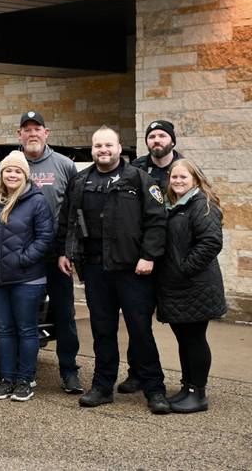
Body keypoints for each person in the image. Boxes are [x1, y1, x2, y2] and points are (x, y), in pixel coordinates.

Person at [57, 126, 171, 414]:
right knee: (102, 331)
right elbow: (68, 220)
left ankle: (154, 389)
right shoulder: (81, 181)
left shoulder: (139, 179)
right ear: (92, 150)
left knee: (140, 331)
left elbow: (157, 221)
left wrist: (148, 256)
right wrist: (65, 252)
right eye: (98, 146)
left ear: (120, 148)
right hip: (96, 270)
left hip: (133, 270)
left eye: (108, 145)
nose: (103, 150)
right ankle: (102, 387)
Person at [0, 151, 54, 402]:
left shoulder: (36, 201)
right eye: (8, 170)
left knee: (26, 329)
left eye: (17, 171)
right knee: (4, 330)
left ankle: (25, 380)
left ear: (25, 175)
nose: (12, 174)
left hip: (27, 278)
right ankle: (7, 378)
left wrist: (22, 259)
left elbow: (45, 238)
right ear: (1, 174)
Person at [16, 111, 83, 394]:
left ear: (47, 133)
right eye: (26, 129)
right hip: (24, 254)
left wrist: (68, 251)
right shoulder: (11, 165)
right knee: (25, 316)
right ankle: (24, 372)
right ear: (19, 134)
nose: (32, 133)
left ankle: (69, 371)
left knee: (64, 314)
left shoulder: (65, 165)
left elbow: (75, 212)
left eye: (37, 128)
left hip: (57, 254)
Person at [157, 159, 226, 413]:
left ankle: (198, 393)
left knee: (194, 339)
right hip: (177, 288)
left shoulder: (202, 205)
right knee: (184, 339)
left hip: (195, 286)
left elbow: (210, 243)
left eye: (183, 177)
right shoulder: (175, 205)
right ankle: (187, 387)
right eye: (174, 177)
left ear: (195, 179)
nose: (177, 181)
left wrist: (184, 269)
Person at [120, 119, 183, 394]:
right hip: (143, 258)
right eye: (152, 136)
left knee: (182, 325)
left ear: (172, 140)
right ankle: (137, 373)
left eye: (161, 136)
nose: (156, 141)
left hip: (173, 258)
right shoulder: (136, 169)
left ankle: (190, 383)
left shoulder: (183, 169)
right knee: (138, 320)